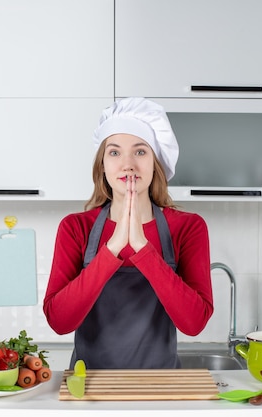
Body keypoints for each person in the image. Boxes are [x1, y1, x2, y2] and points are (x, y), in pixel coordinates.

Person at [43, 97, 213, 369]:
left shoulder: (188, 227)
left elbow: (194, 324)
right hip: (89, 388)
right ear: (102, 165)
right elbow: (59, 323)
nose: (127, 164)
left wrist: (143, 250)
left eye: (140, 151)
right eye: (114, 152)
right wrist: (111, 250)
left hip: (161, 390)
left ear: (156, 162)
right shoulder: (75, 228)